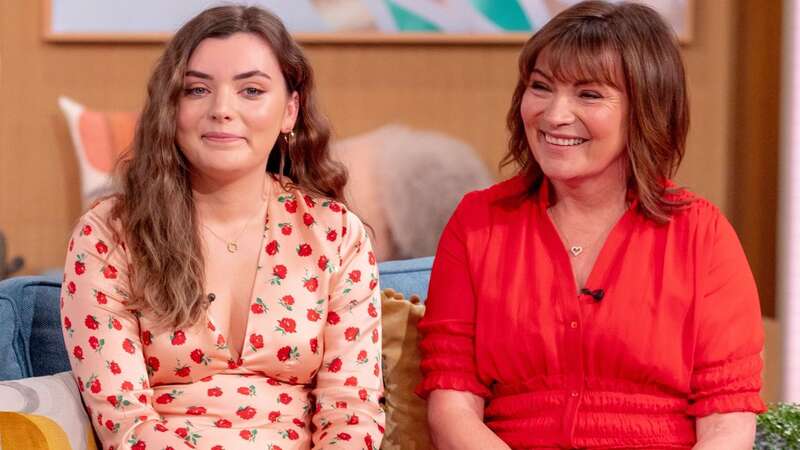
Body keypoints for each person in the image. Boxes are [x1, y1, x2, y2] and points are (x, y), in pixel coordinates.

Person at [416, 1, 765, 449]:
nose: (555, 114)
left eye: (589, 94)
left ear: (645, 107)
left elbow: (728, 424)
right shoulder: (478, 222)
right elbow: (452, 405)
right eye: (540, 87)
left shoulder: (702, 236)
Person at [60, 6, 383, 450]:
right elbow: (125, 421)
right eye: (196, 89)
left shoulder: (335, 233)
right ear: (170, 108)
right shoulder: (108, 234)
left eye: (251, 90)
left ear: (291, 110)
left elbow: (352, 408)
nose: (222, 110)